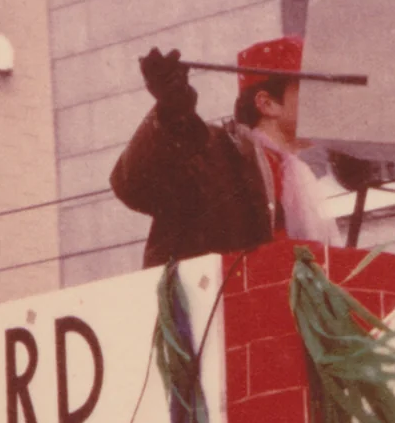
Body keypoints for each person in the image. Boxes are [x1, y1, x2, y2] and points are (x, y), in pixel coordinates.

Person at [110, 36, 377, 268]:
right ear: (267, 103)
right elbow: (132, 185)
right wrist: (171, 113)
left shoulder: (299, 174)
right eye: (311, 90)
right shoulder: (214, 151)